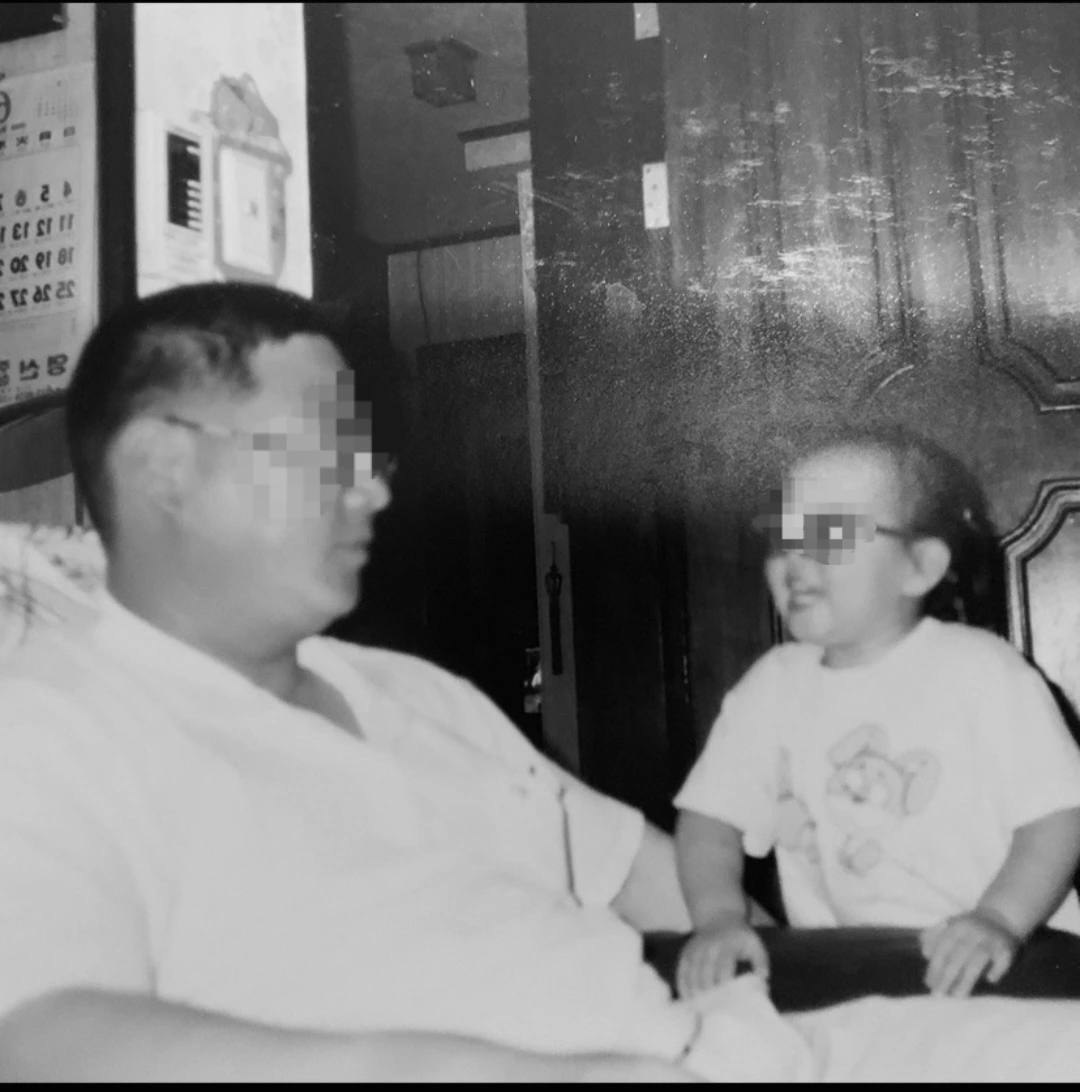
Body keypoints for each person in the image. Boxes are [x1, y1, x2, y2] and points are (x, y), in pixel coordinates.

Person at [4, 287, 1080, 1083]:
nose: (373, 490)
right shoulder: (56, 726)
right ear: (164, 468)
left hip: (746, 1052)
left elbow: (646, 873)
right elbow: (38, 1038)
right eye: (330, 452)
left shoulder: (412, 695)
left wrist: (765, 944)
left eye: (370, 458)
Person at [673, 423, 1080, 1003]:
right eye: (785, 535)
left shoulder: (982, 672)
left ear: (919, 567)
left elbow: (1058, 816)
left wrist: (999, 919)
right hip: (851, 968)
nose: (795, 557)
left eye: (830, 532)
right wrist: (718, 918)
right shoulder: (773, 687)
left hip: (1011, 965)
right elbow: (709, 821)